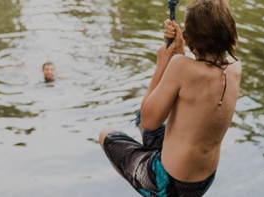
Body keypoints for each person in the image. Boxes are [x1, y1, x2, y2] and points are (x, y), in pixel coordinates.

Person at [98, 0, 242, 196]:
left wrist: (163, 64)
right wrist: (181, 51)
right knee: (142, 124)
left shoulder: (180, 66)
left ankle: (146, 185)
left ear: (191, 37)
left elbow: (149, 121)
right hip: (203, 180)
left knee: (107, 134)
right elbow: (192, 90)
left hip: (168, 184)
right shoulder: (235, 66)